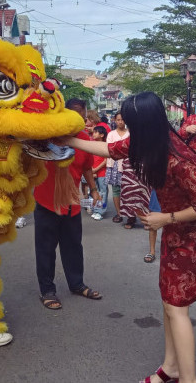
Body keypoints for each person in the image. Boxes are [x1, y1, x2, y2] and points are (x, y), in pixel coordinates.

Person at [65, 92, 196, 383]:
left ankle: (189, 380)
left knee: (176, 306)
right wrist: (68, 141)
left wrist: (165, 218)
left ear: (143, 124)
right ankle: (171, 367)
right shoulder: (147, 143)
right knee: (169, 301)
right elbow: (109, 149)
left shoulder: (176, 159)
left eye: (130, 121)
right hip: (176, 230)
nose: (125, 126)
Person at [33, 97, 102, 310]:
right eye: (73, 113)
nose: (78, 118)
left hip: (71, 203)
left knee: (73, 246)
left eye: (81, 114)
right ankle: (47, 290)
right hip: (46, 201)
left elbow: (87, 167)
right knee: (45, 249)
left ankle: (76, 283)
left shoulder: (83, 139)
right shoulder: (46, 136)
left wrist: (93, 189)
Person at [106, 112, 129, 223]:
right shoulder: (111, 134)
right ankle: (119, 213)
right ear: (115, 120)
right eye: (118, 120)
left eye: (122, 119)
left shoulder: (130, 134)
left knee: (128, 190)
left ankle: (130, 215)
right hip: (114, 165)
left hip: (127, 166)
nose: (120, 122)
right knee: (116, 190)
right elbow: (109, 149)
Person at [90, 125, 109, 220]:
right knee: (95, 191)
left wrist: (95, 169)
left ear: (102, 135)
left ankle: (100, 211)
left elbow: (105, 161)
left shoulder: (105, 145)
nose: (93, 134)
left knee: (103, 192)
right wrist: (92, 170)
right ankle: (96, 209)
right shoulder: (92, 145)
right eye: (93, 132)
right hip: (94, 172)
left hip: (102, 173)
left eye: (96, 132)